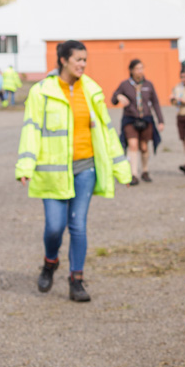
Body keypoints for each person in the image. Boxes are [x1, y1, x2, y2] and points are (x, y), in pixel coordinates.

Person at [15, 40, 132, 302]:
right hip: (52, 171)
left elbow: (106, 132)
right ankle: (50, 262)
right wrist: (25, 165)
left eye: (84, 60)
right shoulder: (41, 92)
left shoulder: (91, 90)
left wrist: (122, 169)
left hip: (85, 169)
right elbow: (31, 129)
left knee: (78, 225)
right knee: (55, 227)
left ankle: (76, 280)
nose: (82, 64)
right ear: (63, 60)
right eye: (78, 59)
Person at [111, 59, 165, 185]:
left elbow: (155, 103)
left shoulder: (148, 85)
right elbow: (113, 98)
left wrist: (160, 120)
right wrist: (119, 97)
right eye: (137, 68)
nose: (140, 71)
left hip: (146, 118)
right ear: (131, 70)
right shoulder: (124, 84)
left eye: (142, 68)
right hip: (130, 119)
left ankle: (145, 170)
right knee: (132, 145)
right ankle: (133, 174)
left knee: (144, 146)